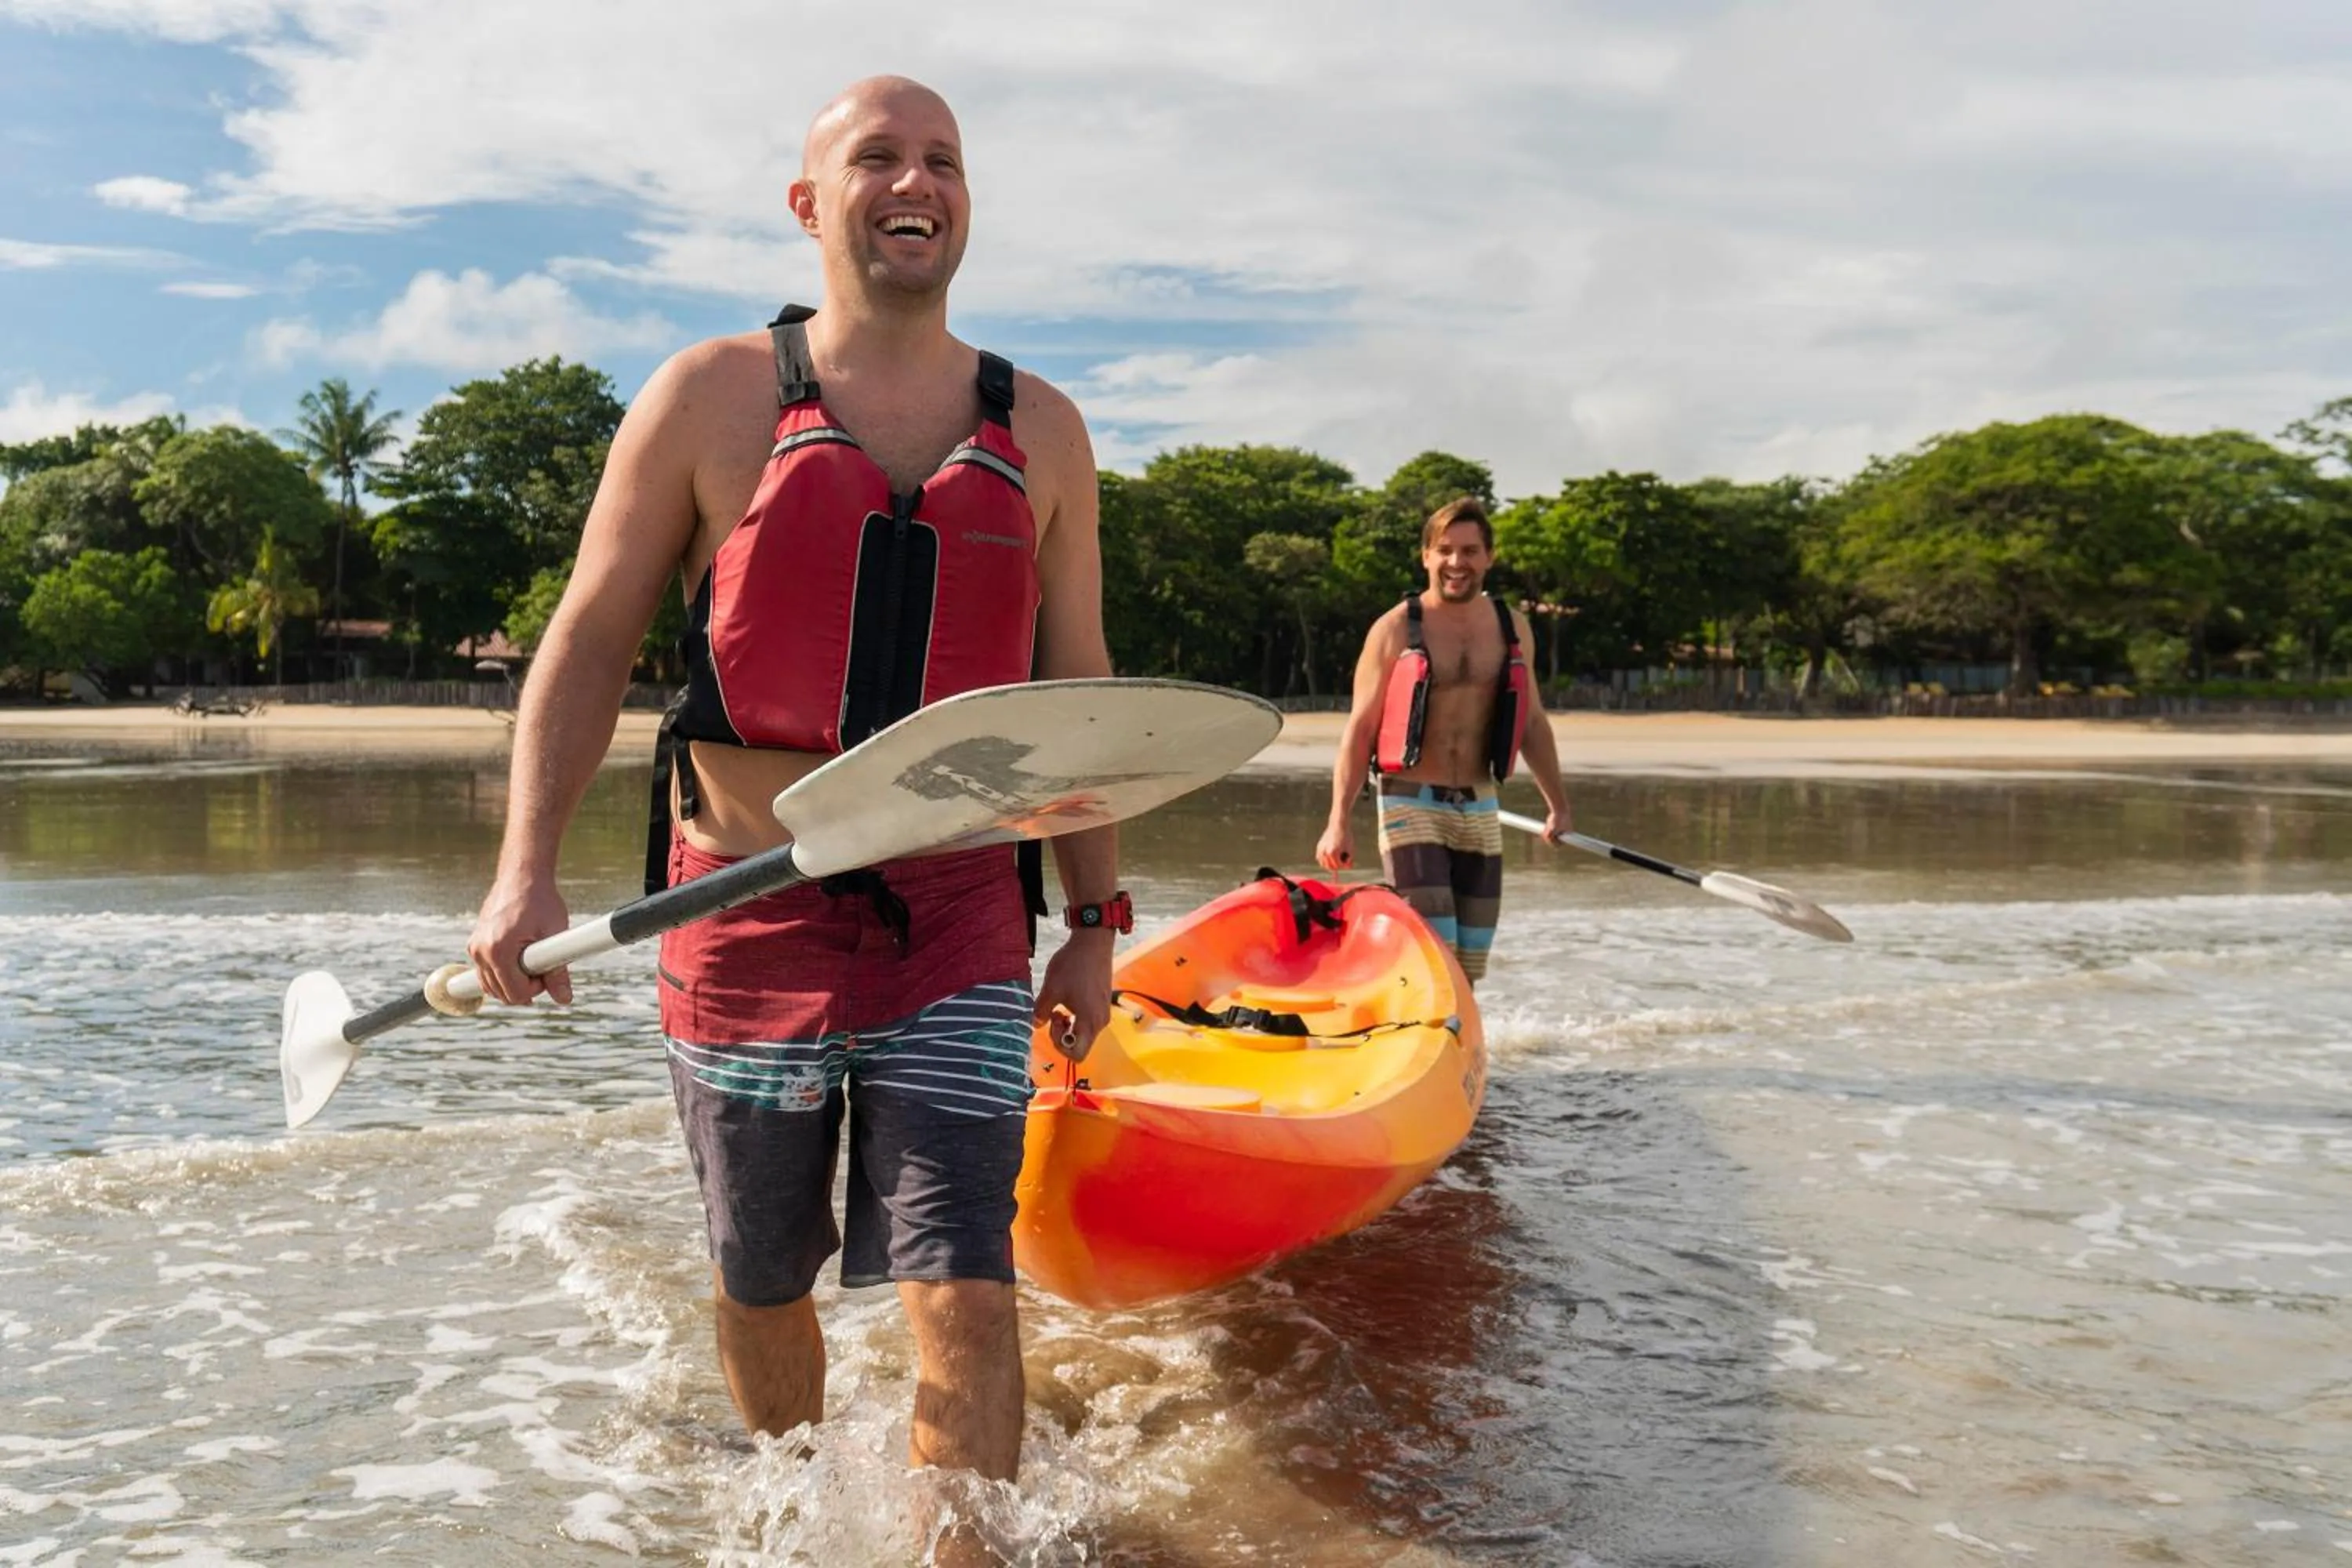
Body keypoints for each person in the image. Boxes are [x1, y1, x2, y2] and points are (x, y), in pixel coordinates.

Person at [463, 74, 1123, 1514]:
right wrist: (525, 870)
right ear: (809, 204)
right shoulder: (709, 397)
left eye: (943, 160)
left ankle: (962, 1551)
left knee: (968, 1282)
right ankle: (790, 1503)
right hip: (738, 917)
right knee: (763, 1277)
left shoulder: (1047, 429)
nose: (917, 182)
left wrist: (1093, 922)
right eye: (879, 157)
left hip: (958, 921)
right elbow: (587, 639)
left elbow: (1076, 690)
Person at [1315, 498, 1570, 984]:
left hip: (1480, 804)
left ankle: (1455, 1031)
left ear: (1489, 557)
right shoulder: (1395, 628)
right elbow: (1360, 730)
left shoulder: (1511, 627)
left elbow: (1533, 723)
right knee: (1434, 952)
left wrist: (1558, 807)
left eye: (1470, 551)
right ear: (1426, 556)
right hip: (1410, 803)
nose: (1457, 562)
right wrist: (1338, 822)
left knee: (1470, 964)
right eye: (1446, 550)